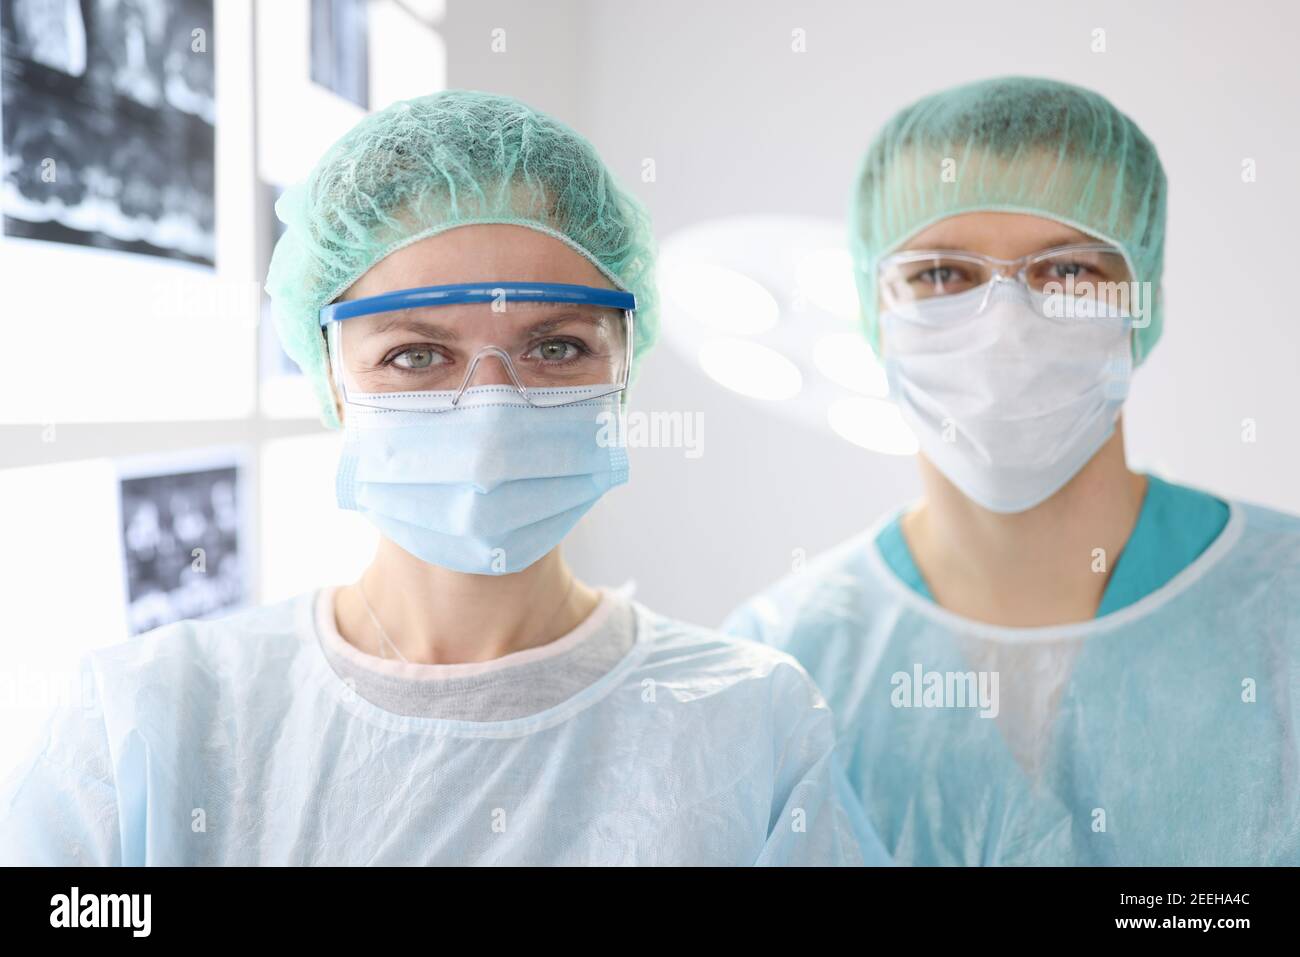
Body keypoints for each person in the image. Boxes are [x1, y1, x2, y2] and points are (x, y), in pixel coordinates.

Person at [0, 90, 884, 866]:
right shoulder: (147, 722)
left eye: (556, 346)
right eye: (416, 354)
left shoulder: (749, 724)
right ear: (331, 377)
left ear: (623, 368)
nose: (488, 409)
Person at [724, 76, 1300, 866]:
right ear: (872, 310)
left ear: (1143, 303)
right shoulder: (779, 665)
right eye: (941, 275)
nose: (1005, 325)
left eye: (1066, 272)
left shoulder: (1285, 610)